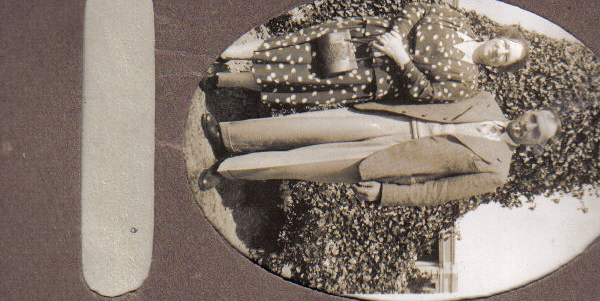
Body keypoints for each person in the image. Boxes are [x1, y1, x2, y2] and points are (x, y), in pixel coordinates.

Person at [204, 98, 561, 206]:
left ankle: (226, 169)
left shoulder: (497, 171)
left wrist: (385, 194)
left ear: (535, 145)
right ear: (528, 111)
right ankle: (228, 136)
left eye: (536, 133)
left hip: (392, 159)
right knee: (303, 126)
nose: (527, 126)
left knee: (303, 162)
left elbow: (437, 192)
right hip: (389, 119)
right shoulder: (485, 101)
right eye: (533, 119)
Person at [215, 2, 531, 109]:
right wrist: (396, 37)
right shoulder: (457, 21)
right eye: (505, 45)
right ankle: (226, 52)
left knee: (297, 78)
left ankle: (225, 81)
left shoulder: (467, 82)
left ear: (500, 67)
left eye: (505, 58)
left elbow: (427, 94)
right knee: (294, 45)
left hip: (367, 76)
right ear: (499, 36)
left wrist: (401, 57)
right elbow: (419, 8)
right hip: (366, 36)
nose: (500, 52)